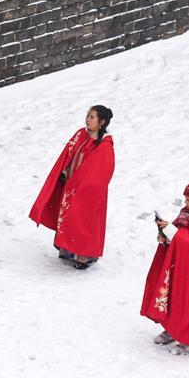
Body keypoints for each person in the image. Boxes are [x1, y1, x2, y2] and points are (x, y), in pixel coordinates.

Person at [29, 105, 116, 269]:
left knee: (83, 219)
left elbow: (100, 172)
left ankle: (83, 255)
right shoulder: (81, 134)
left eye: (92, 117)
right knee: (69, 216)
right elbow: (68, 154)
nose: (88, 119)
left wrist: (82, 184)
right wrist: (64, 172)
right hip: (70, 185)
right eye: (88, 115)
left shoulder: (104, 145)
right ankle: (66, 248)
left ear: (102, 122)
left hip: (87, 191)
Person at [141, 177, 189, 354]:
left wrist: (169, 230)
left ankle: (187, 340)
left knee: (188, 301)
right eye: (185, 199)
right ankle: (171, 329)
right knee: (172, 297)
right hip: (178, 267)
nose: (186, 203)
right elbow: (178, 237)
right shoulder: (187, 214)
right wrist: (165, 237)